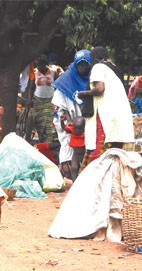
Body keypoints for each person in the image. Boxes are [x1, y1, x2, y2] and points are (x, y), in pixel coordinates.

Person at [77, 47, 134, 170]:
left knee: (99, 145)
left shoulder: (98, 67)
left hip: (105, 115)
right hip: (119, 114)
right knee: (115, 148)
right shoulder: (114, 69)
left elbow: (99, 89)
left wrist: (83, 93)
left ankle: (95, 174)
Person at [52, 49, 92, 177]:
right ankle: (68, 171)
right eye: (79, 64)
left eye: (85, 64)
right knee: (69, 149)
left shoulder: (93, 79)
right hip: (70, 122)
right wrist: (68, 121)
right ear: (75, 64)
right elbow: (60, 107)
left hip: (87, 123)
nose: (82, 67)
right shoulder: (65, 80)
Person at [29, 55, 62, 144]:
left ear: (46, 64)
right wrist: (29, 100)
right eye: (38, 65)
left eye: (41, 65)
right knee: (39, 121)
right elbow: (32, 87)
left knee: (48, 121)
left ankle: (48, 143)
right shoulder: (35, 72)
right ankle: (41, 139)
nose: (39, 67)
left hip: (50, 100)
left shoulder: (53, 72)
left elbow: (58, 84)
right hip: (38, 100)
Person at [61, 116, 86, 180]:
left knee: (84, 168)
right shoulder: (72, 129)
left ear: (83, 127)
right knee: (74, 168)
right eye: (76, 128)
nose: (77, 131)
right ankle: (74, 184)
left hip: (84, 154)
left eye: (79, 129)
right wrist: (62, 121)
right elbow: (64, 127)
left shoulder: (85, 133)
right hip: (75, 153)